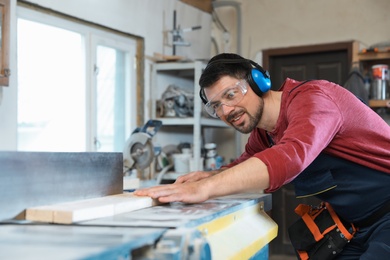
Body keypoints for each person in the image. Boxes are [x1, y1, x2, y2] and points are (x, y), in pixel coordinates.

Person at [134, 53, 390, 258]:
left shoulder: (314, 100)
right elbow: (245, 167)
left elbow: (290, 157)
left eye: (231, 95)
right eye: (216, 106)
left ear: (259, 82)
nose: (226, 110)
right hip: (356, 224)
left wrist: (207, 188)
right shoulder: (264, 134)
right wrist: (208, 177)